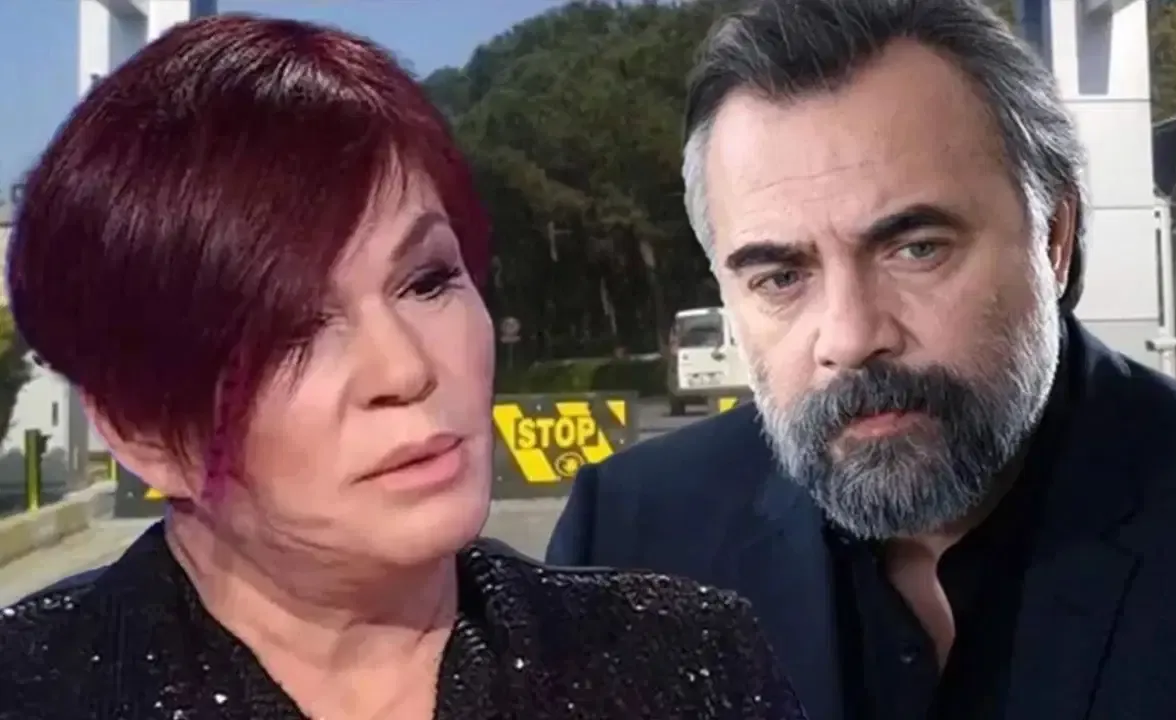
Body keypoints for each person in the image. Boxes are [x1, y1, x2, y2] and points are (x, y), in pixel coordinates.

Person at [0, 15, 806, 720]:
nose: (407, 369)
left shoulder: (687, 661)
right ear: (141, 431)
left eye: (427, 281)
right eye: (291, 330)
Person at [547, 0, 1176, 718]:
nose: (849, 337)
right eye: (781, 277)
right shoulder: (627, 539)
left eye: (916, 249)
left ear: (1054, 238)